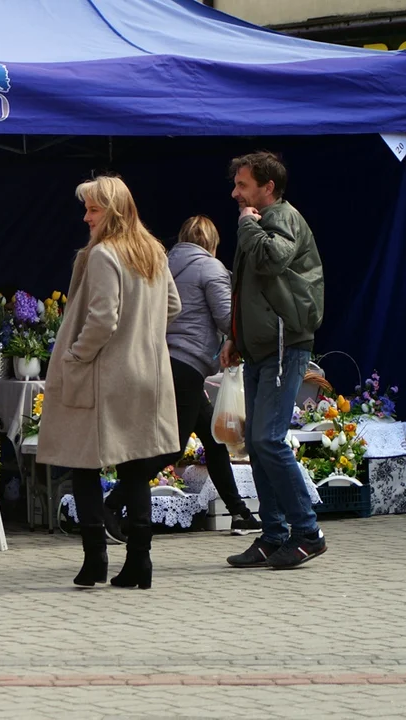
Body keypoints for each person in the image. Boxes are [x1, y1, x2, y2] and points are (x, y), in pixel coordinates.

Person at [38, 175, 180, 590]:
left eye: (93, 209)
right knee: (135, 470)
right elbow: (173, 305)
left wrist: (76, 355)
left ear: (113, 211)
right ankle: (140, 562)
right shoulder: (152, 250)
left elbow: (103, 318)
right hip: (147, 375)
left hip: (105, 375)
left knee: (83, 464)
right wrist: (145, 334)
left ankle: (94, 561)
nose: (86, 217)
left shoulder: (103, 255)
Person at [103, 216, 260, 539]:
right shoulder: (211, 268)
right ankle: (110, 506)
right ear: (212, 244)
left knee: (212, 439)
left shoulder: (160, 263)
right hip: (187, 366)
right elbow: (226, 318)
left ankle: (239, 513)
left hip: (159, 361)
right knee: (171, 448)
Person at [221, 151, 326, 570]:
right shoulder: (262, 221)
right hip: (261, 347)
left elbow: (271, 260)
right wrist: (234, 337)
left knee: (267, 440)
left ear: (268, 187)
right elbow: (247, 287)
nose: (235, 193)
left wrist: (247, 223)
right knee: (259, 445)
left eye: (243, 185)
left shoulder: (282, 217)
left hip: (285, 346)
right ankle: (273, 535)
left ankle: (307, 532)